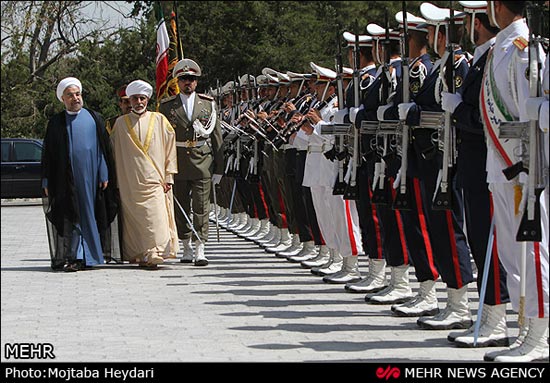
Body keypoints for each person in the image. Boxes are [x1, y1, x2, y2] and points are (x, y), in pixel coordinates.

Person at [480, 1, 548, 363]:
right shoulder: (503, 46)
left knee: (533, 253)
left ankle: (539, 333)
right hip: (502, 165)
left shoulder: (524, 46)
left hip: (524, 167)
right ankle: (524, 328)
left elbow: (531, 111)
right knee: (512, 253)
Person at [441, 1, 511, 349]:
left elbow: (490, 115)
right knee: (481, 238)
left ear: (479, 22)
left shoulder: (498, 54)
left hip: (490, 158)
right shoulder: (484, 56)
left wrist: (460, 111)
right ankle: (489, 313)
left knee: (491, 240)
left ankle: (496, 318)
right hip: (477, 163)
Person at [41, 77, 118, 272]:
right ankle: (76, 256)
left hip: (92, 179)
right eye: (70, 95)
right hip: (65, 179)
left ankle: (90, 256)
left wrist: (103, 173)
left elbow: (103, 150)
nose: (75, 98)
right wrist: (46, 180)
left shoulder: (94, 118)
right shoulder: (56, 123)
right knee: (72, 215)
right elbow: (48, 154)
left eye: (77, 94)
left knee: (89, 214)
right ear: (62, 99)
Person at [159, 58, 224, 266]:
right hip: (177, 161)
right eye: (184, 79)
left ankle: (200, 248)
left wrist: (219, 168)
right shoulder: (167, 106)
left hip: (203, 160)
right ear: (178, 82)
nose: (189, 82)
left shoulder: (207, 104)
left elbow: (216, 137)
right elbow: (162, 138)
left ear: (197, 82)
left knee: (201, 206)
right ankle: (185, 245)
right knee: (181, 206)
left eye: (192, 79)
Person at [109, 80, 178, 268]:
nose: (138, 102)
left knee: (155, 216)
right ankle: (140, 253)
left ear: (147, 99)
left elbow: (171, 149)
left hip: (156, 180)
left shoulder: (159, 120)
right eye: (134, 99)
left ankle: (155, 251)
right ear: (129, 101)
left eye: (142, 98)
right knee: (135, 220)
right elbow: (114, 152)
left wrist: (169, 176)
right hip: (130, 181)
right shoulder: (120, 124)